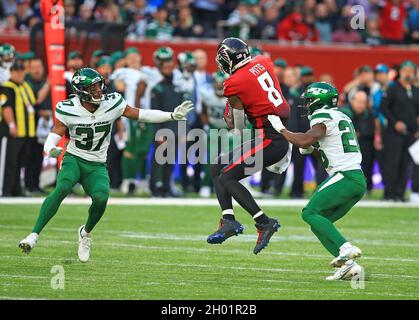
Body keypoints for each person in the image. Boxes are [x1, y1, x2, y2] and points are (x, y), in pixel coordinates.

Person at [18, 67, 193, 262]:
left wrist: (171, 115)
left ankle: (85, 233)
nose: (99, 91)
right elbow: (56, 131)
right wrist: (50, 147)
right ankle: (33, 235)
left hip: (97, 163)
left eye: (99, 86)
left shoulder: (112, 103)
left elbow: (141, 114)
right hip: (75, 158)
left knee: (101, 199)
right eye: (93, 89)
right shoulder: (69, 108)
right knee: (63, 187)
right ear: (82, 92)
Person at [268, 81, 366, 281]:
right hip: (356, 179)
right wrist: (312, 147)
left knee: (309, 213)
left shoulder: (323, 116)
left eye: (309, 101)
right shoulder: (341, 115)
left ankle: (346, 248)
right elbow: (327, 144)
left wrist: (281, 129)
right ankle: (349, 266)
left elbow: (304, 140)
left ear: (317, 101)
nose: (306, 105)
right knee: (319, 221)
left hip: (345, 176)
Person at [207, 37, 291, 255]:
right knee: (217, 167)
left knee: (227, 177)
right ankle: (228, 220)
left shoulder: (233, 82)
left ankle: (264, 222)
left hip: (271, 138)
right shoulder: (264, 61)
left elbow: (239, 126)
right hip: (274, 133)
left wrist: (231, 115)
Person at [380, 60, 419, 201]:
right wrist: (395, 122)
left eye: (411, 71)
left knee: (406, 164)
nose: (408, 73)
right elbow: (383, 108)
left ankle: (400, 194)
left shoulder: (416, 90)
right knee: (392, 163)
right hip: (393, 133)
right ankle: (389, 193)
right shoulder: (392, 88)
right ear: (400, 72)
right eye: (405, 70)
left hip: (411, 134)